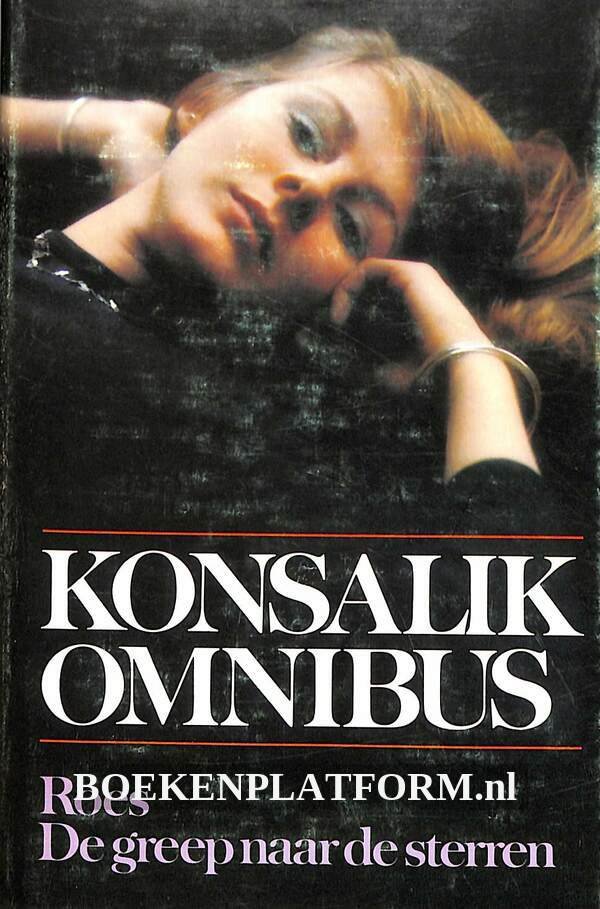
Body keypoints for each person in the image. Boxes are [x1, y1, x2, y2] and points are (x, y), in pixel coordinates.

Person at [4, 27, 596, 530]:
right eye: (307, 133)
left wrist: (474, 363)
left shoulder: (204, 449)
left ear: (356, 296)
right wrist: (102, 125)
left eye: (351, 225)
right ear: (214, 100)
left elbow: (508, 590)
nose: (309, 188)